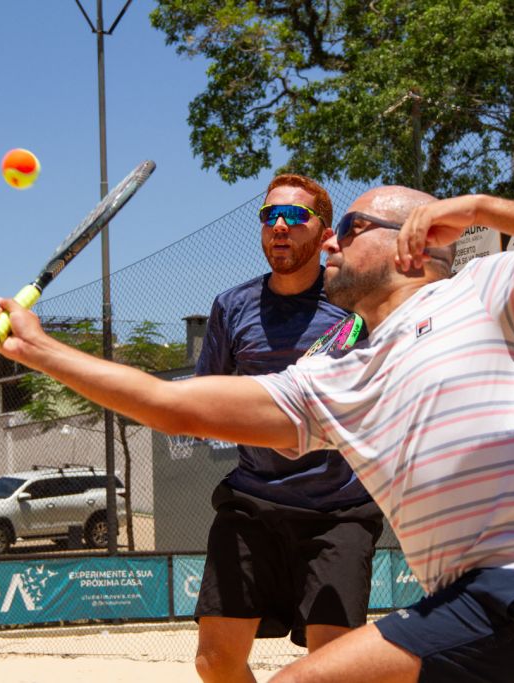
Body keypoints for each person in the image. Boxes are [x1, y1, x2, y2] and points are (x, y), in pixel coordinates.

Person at [0, 186, 514, 683]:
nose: (328, 242)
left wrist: (482, 208)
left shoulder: (483, 289)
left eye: (350, 228)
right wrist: (42, 352)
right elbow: (170, 404)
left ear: (411, 241)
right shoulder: (332, 375)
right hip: (473, 606)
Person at [193, 174, 383, 682]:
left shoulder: (356, 304)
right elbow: (205, 396)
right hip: (251, 504)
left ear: (325, 234)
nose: (280, 225)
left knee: (332, 671)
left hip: (337, 511)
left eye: (295, 216)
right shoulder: (232, 307)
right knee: (215, 663)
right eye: (269, 216)